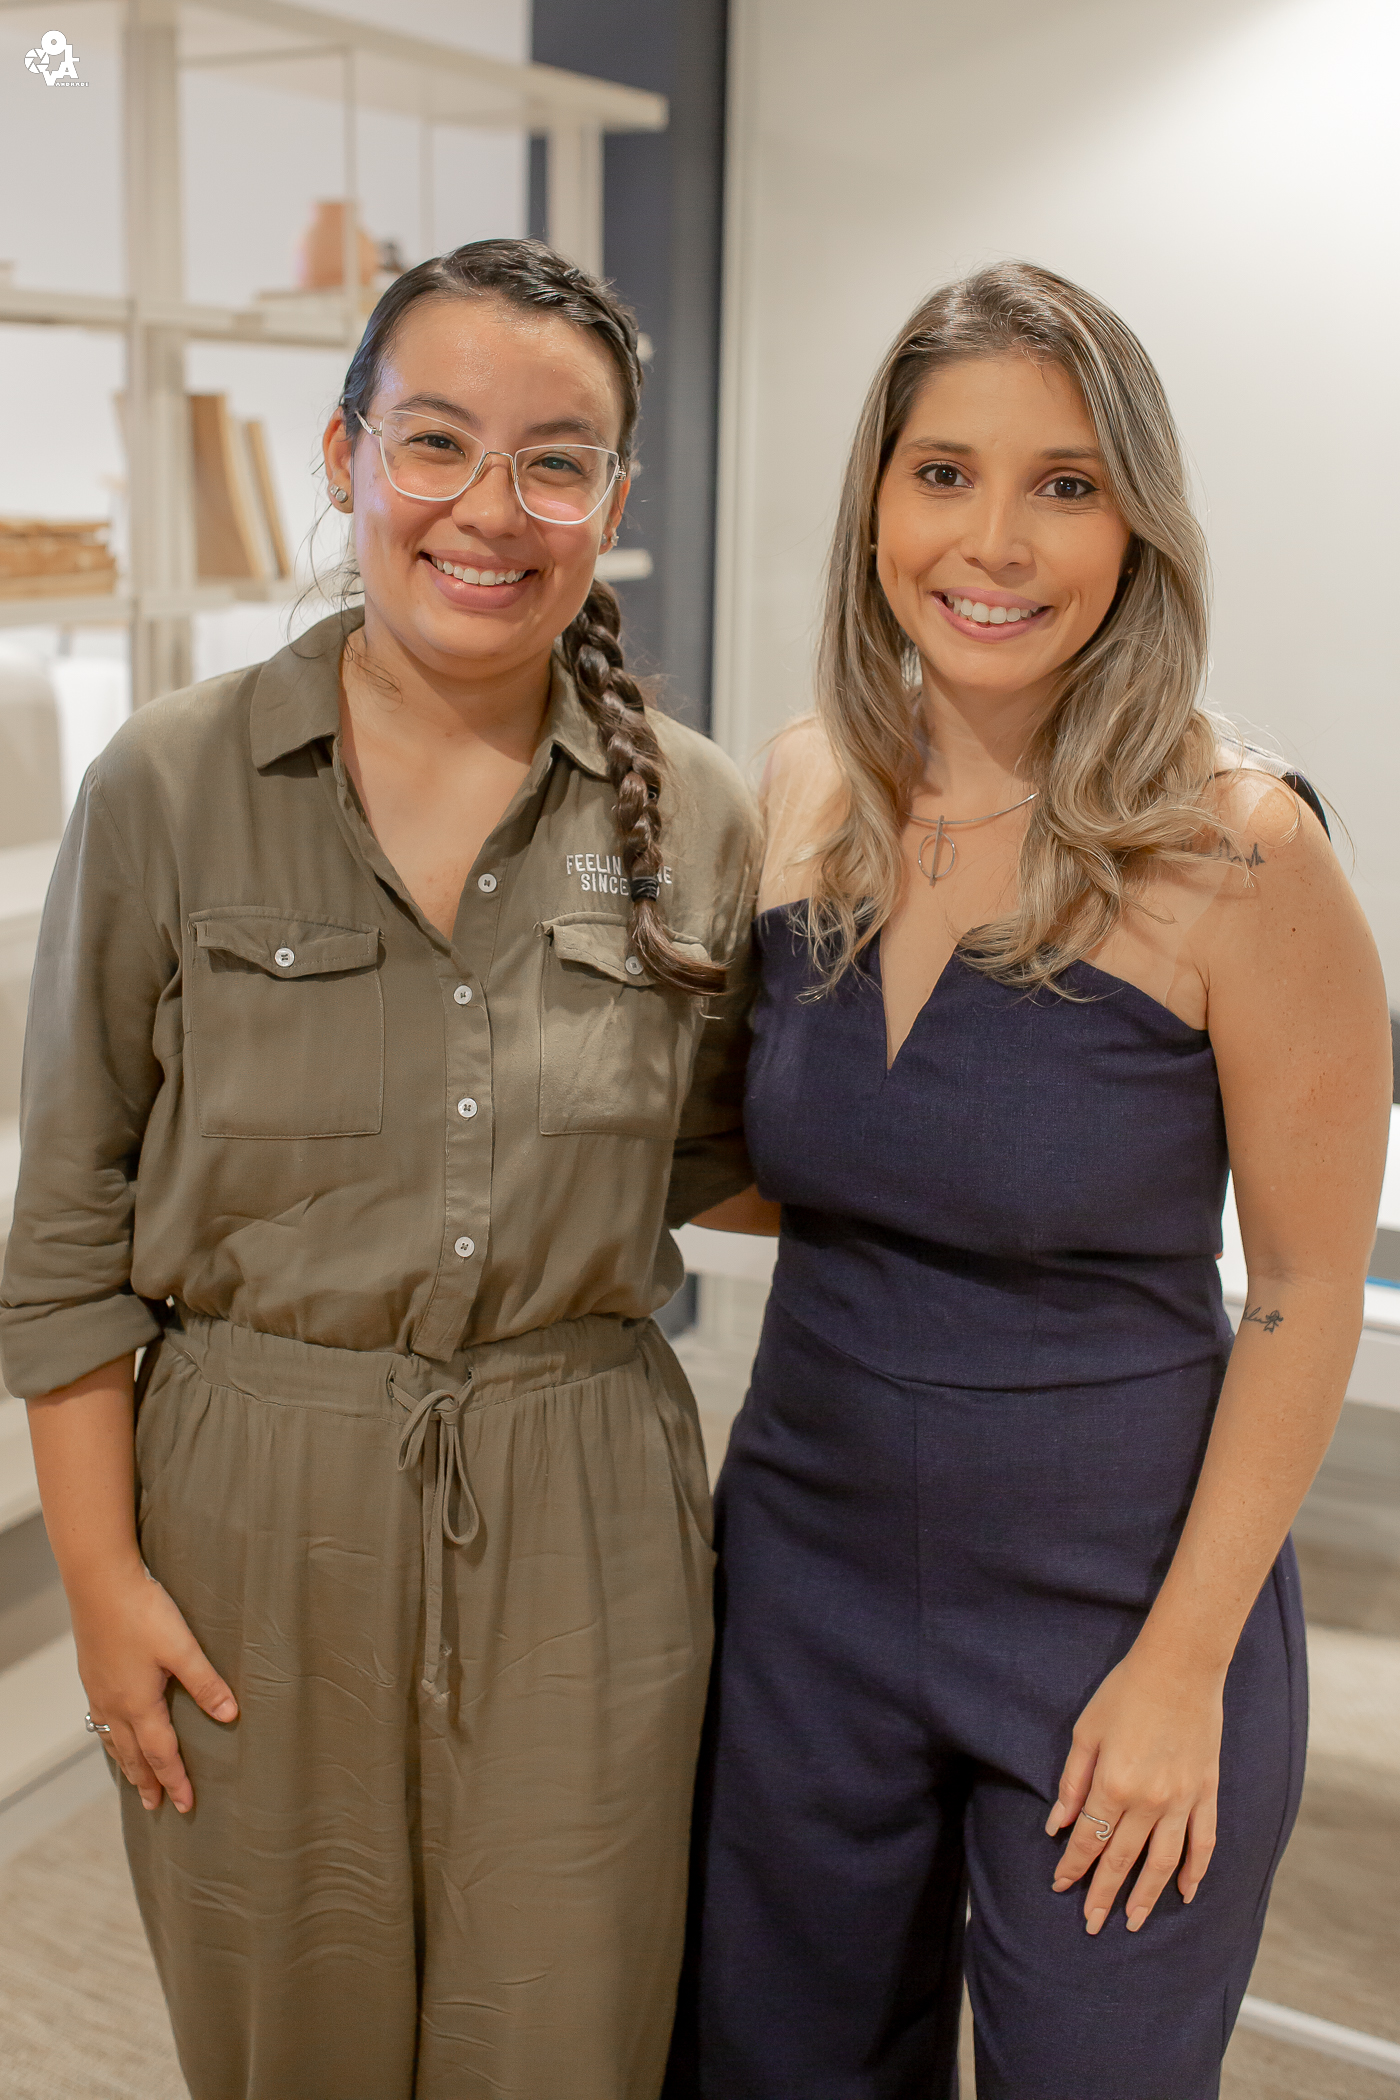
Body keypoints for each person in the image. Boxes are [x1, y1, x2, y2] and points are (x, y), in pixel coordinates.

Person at [1, 238, 759, 2100]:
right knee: (292, 2046)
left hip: (583, 1516)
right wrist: (99, 1580)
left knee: (566, 2045)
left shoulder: (697, 812)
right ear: (345, 455)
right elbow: (70, 1223)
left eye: (555, 461)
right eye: (436, 442)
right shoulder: (170, 786)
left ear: (613, 502)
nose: (491, 509)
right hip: (246, 1509)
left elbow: (726, 1156)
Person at [666, 262, 1391, 2099]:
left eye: (1065, 484)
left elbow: (1306, 1291)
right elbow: (786, 1168)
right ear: (876, 503)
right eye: (945, 474)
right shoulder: (805, 786)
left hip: (1119, 1603)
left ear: (1137, 527)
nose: (995, 541)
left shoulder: (1240, 846)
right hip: (804, 1583)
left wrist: (1182, 1669)